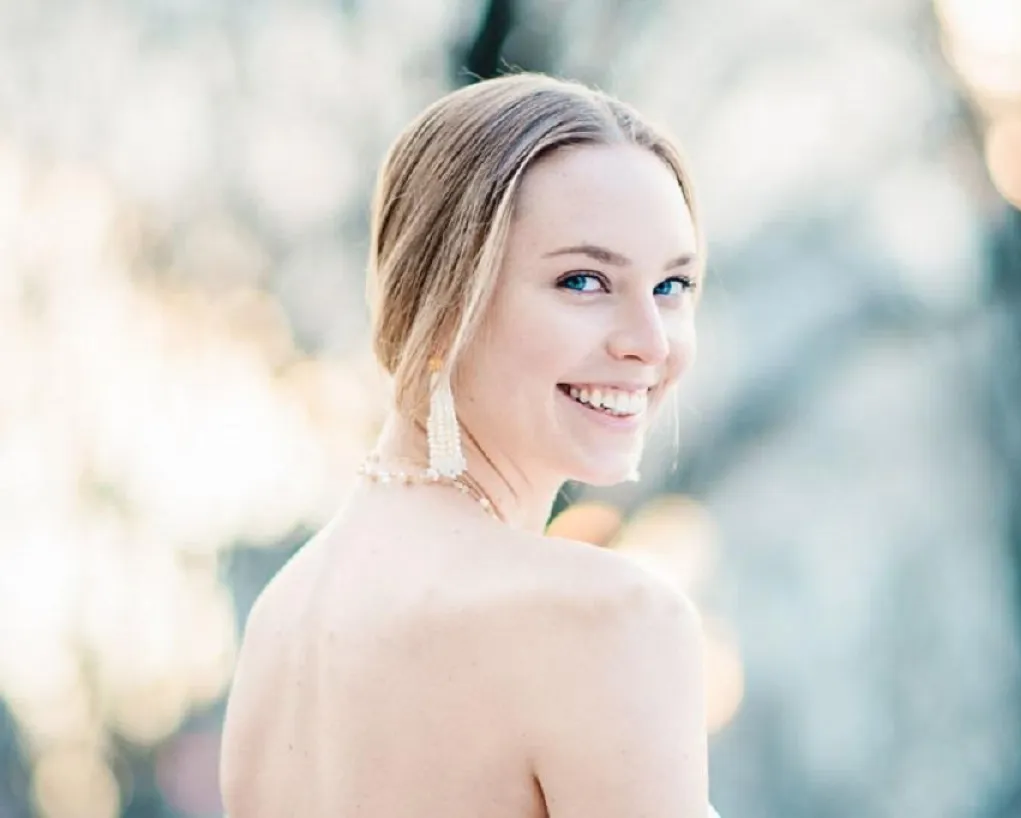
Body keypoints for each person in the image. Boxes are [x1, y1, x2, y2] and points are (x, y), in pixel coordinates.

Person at [219, 72, 717, 818]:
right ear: (443, 299)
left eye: (672, 287)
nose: (650, 343)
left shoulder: (282, 620)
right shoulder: (607, 618)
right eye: (584, 281)